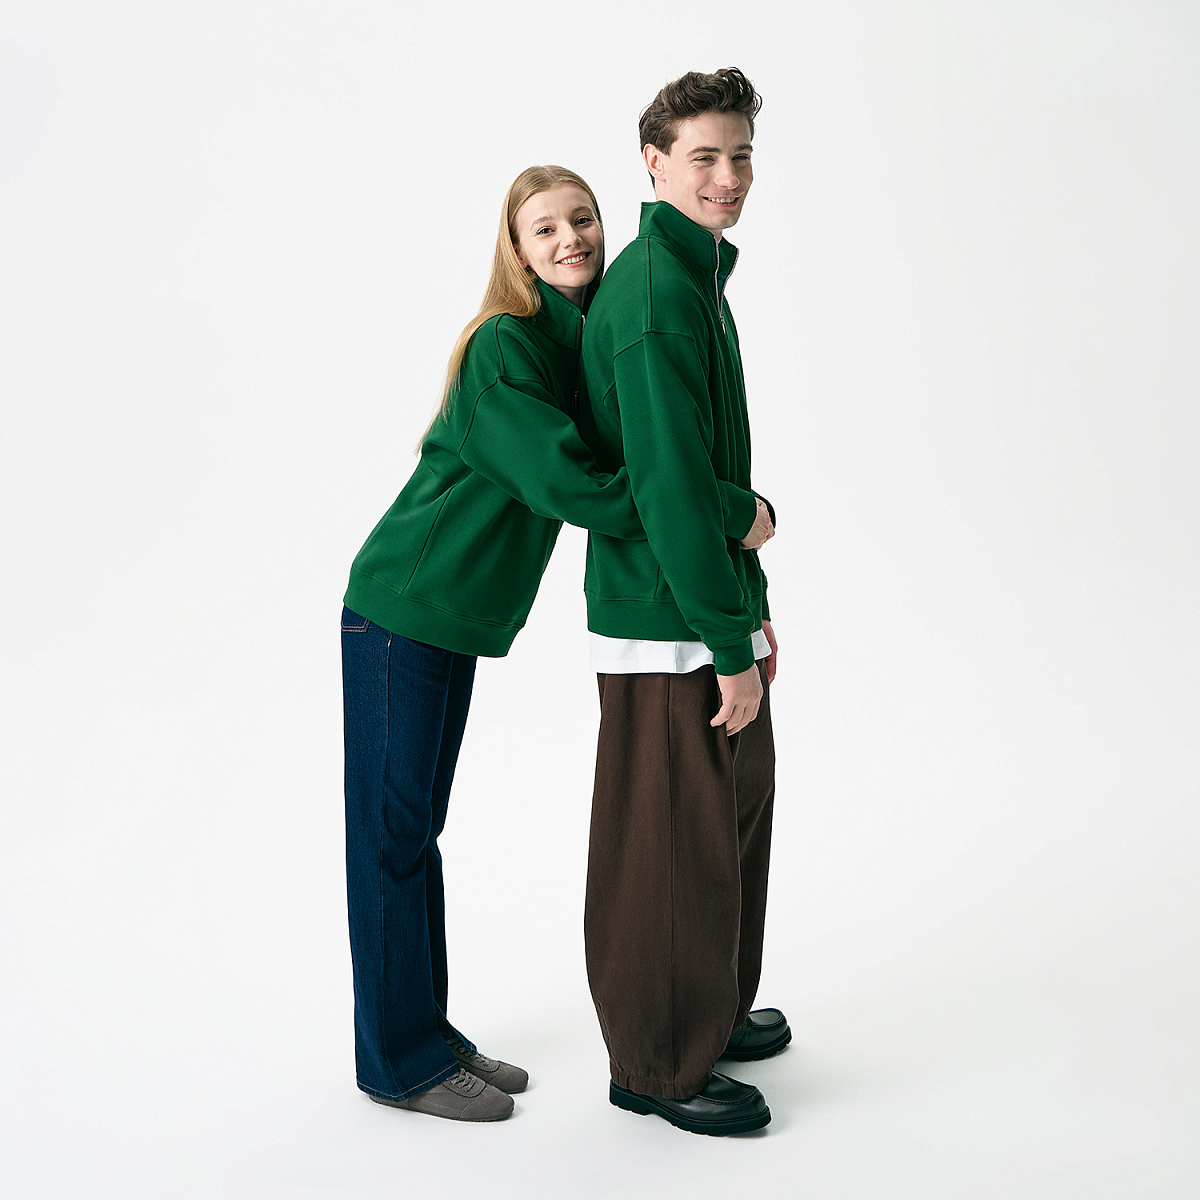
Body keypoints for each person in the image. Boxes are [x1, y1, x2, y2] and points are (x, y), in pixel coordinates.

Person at [340, 165, 773, 1123]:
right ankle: (399, 1063)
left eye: (583, 219)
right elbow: (583, 487)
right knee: (392, 838)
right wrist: (722, 512)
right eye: (545, 229)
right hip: (399, 609)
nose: (571, 238)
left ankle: (426, 1032)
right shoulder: (503, 346)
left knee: (414, 834)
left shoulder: (569, 340)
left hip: (448, 621)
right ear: (517, 250)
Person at [576, 68, 788, 1136]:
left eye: (740, 154)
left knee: (728, 824)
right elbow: (668, 489)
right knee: (668, 848)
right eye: (705, 156)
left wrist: (746, 611)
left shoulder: (694, 277)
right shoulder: (659, 296)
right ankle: (657, 1064)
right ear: (654, 163)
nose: (729, 176)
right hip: (666, 626)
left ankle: (709, 1010)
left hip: (703, 610)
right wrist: (727, 642)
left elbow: (700, 474)